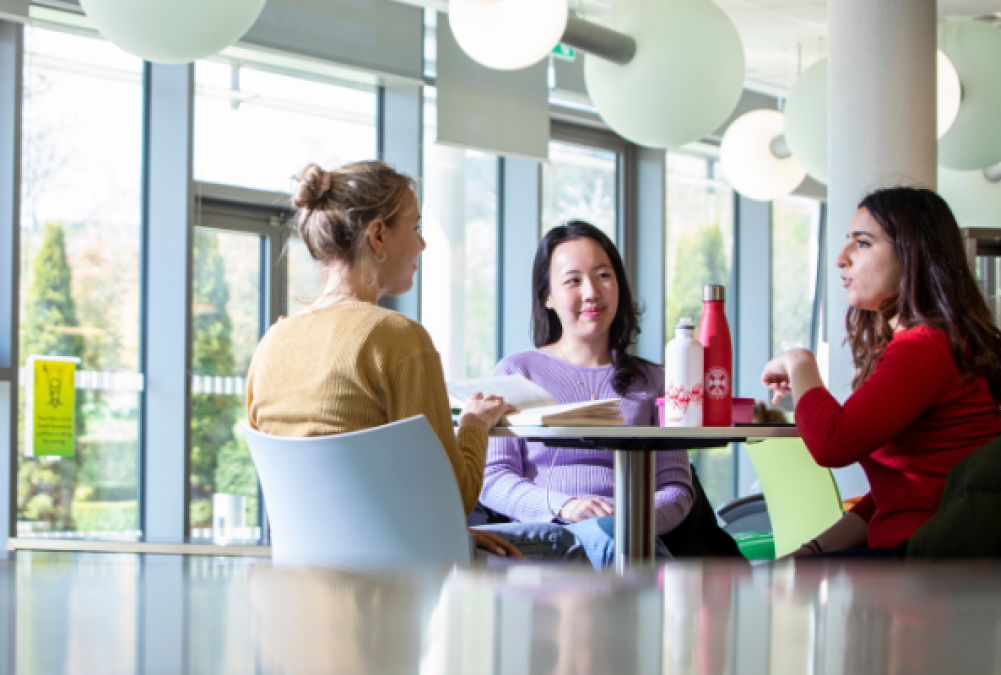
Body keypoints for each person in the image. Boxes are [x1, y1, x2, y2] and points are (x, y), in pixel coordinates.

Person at [246, 160, 583, 563]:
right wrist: (475, 423)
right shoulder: (398, 339)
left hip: (304, 579)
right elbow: (453, 497)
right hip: (395, 579)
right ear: (378, 235)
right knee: (583, 543)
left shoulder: (270, 344)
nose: (422, 244)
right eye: (416, 227)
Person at [761, 186, 1001, 559]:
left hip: (927, 562)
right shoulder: (926, 344)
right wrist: (812, 550)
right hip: (922, 552)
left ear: (913, 256)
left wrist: (800, 363)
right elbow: (897, 491)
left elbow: (832, 443)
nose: (841, 259)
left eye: (862, 243)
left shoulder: (922, 347)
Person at [476, 221, 695, 569]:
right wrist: (566, 506)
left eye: (603, 275)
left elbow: (677, 490)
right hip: (549, 533)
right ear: (547, 296)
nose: (591, 292)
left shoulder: (654, 380)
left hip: (628, 535)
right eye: (573, 280)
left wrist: (627, 521)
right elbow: (492, 478)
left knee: (619, 544)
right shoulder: (518, 372)